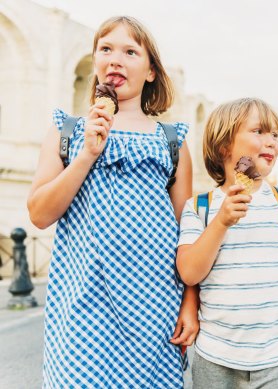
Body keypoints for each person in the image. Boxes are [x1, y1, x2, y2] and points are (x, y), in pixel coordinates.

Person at [28, 16, 197, 388]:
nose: (115, 59)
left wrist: (190, 303)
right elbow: (40, 214)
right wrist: (87, 153)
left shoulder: (172, 141)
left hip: (154, 307)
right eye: (105, 49)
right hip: (82, 307)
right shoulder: (67, 131)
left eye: (130, 51)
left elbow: (189, 233)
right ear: (95, 61)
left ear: (151, 71)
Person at [176, 98, 278, 388]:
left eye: (275, 135)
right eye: (259, 131)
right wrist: (220, 222)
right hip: (216, 357)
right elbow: (189, 273)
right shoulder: (200, 209)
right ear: (224, 147)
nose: (271, 141)